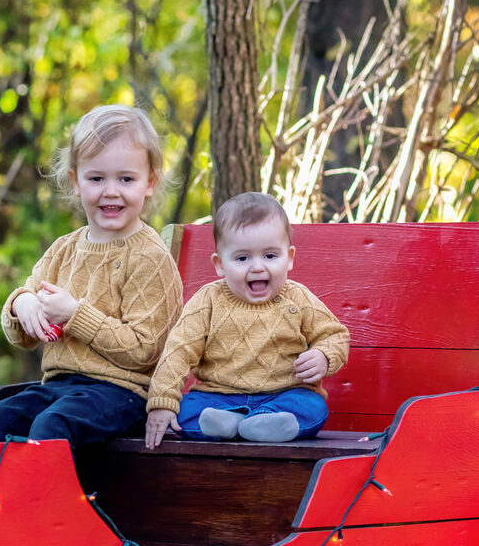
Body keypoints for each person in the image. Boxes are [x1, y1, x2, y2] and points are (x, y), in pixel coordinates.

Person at [0, 104, 183, 450]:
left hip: (124, 393)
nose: (110, 191)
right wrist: (23, 305)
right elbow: (21, 333)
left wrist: (75, 315)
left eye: (126, 179)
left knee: (53, 424)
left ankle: (45, 487)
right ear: (76, 182)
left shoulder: (150, 258)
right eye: (96, 178)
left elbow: (145, 351)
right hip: (58, 387)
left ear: (150, 183)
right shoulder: (63, 250)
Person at [145, 191, 349, 448]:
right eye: (242, 258)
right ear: (220, 264)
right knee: (185, 408)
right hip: (219, 397)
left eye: (270, 256)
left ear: (289, 258)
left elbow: (334, 335)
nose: (257, 267)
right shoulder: (208, 300)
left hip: (283, 396)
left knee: (313, 407)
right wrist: (162, 401)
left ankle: (261, 422)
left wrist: (324, 356)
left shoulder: (298, 298)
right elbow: (178, 351)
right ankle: (232, 422)